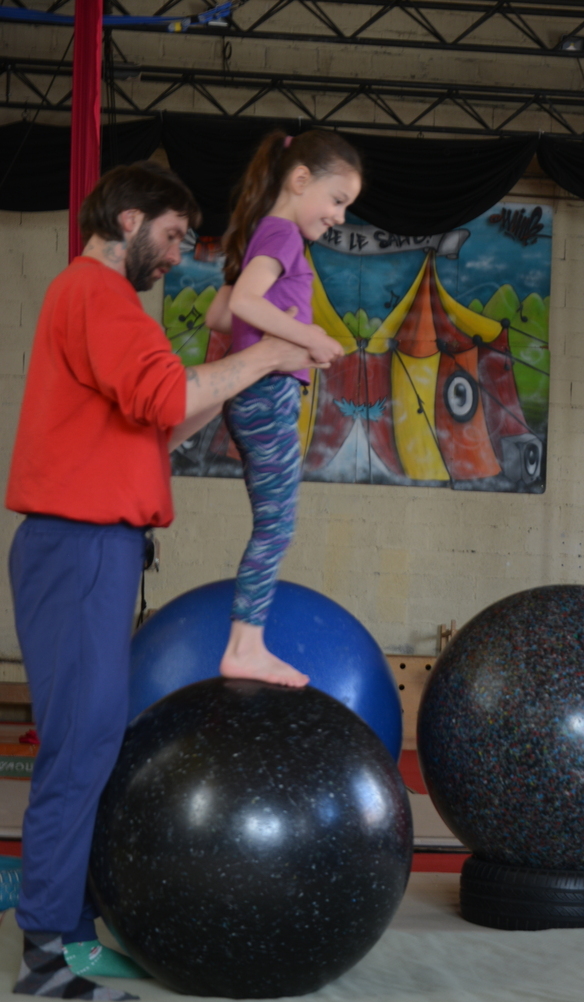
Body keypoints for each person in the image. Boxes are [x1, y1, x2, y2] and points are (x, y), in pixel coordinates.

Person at [4, 161, 328, 1002]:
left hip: (100, 549)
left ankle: (70, 935)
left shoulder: (104, 305)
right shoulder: (98, 296)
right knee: (80, 747)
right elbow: (162, 395)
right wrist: (266, 357)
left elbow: (165, 420)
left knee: (95, 742)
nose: (180, 257)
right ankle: (46, 954)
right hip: (78, 546)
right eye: (175, 237)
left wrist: (239, 363)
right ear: (129, 220)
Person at [205, 129, 362, 688]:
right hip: (266, 395)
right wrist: (307, 337)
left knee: (274, 523)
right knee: (277, 526)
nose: (341, 216)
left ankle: (246, 643)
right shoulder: (283, 236)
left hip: (259, 395)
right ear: (300, 181)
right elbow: (246, 302)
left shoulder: (264, 234)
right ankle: (245, 646)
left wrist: (296, 336)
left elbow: (222, 316)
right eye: (338, 200)